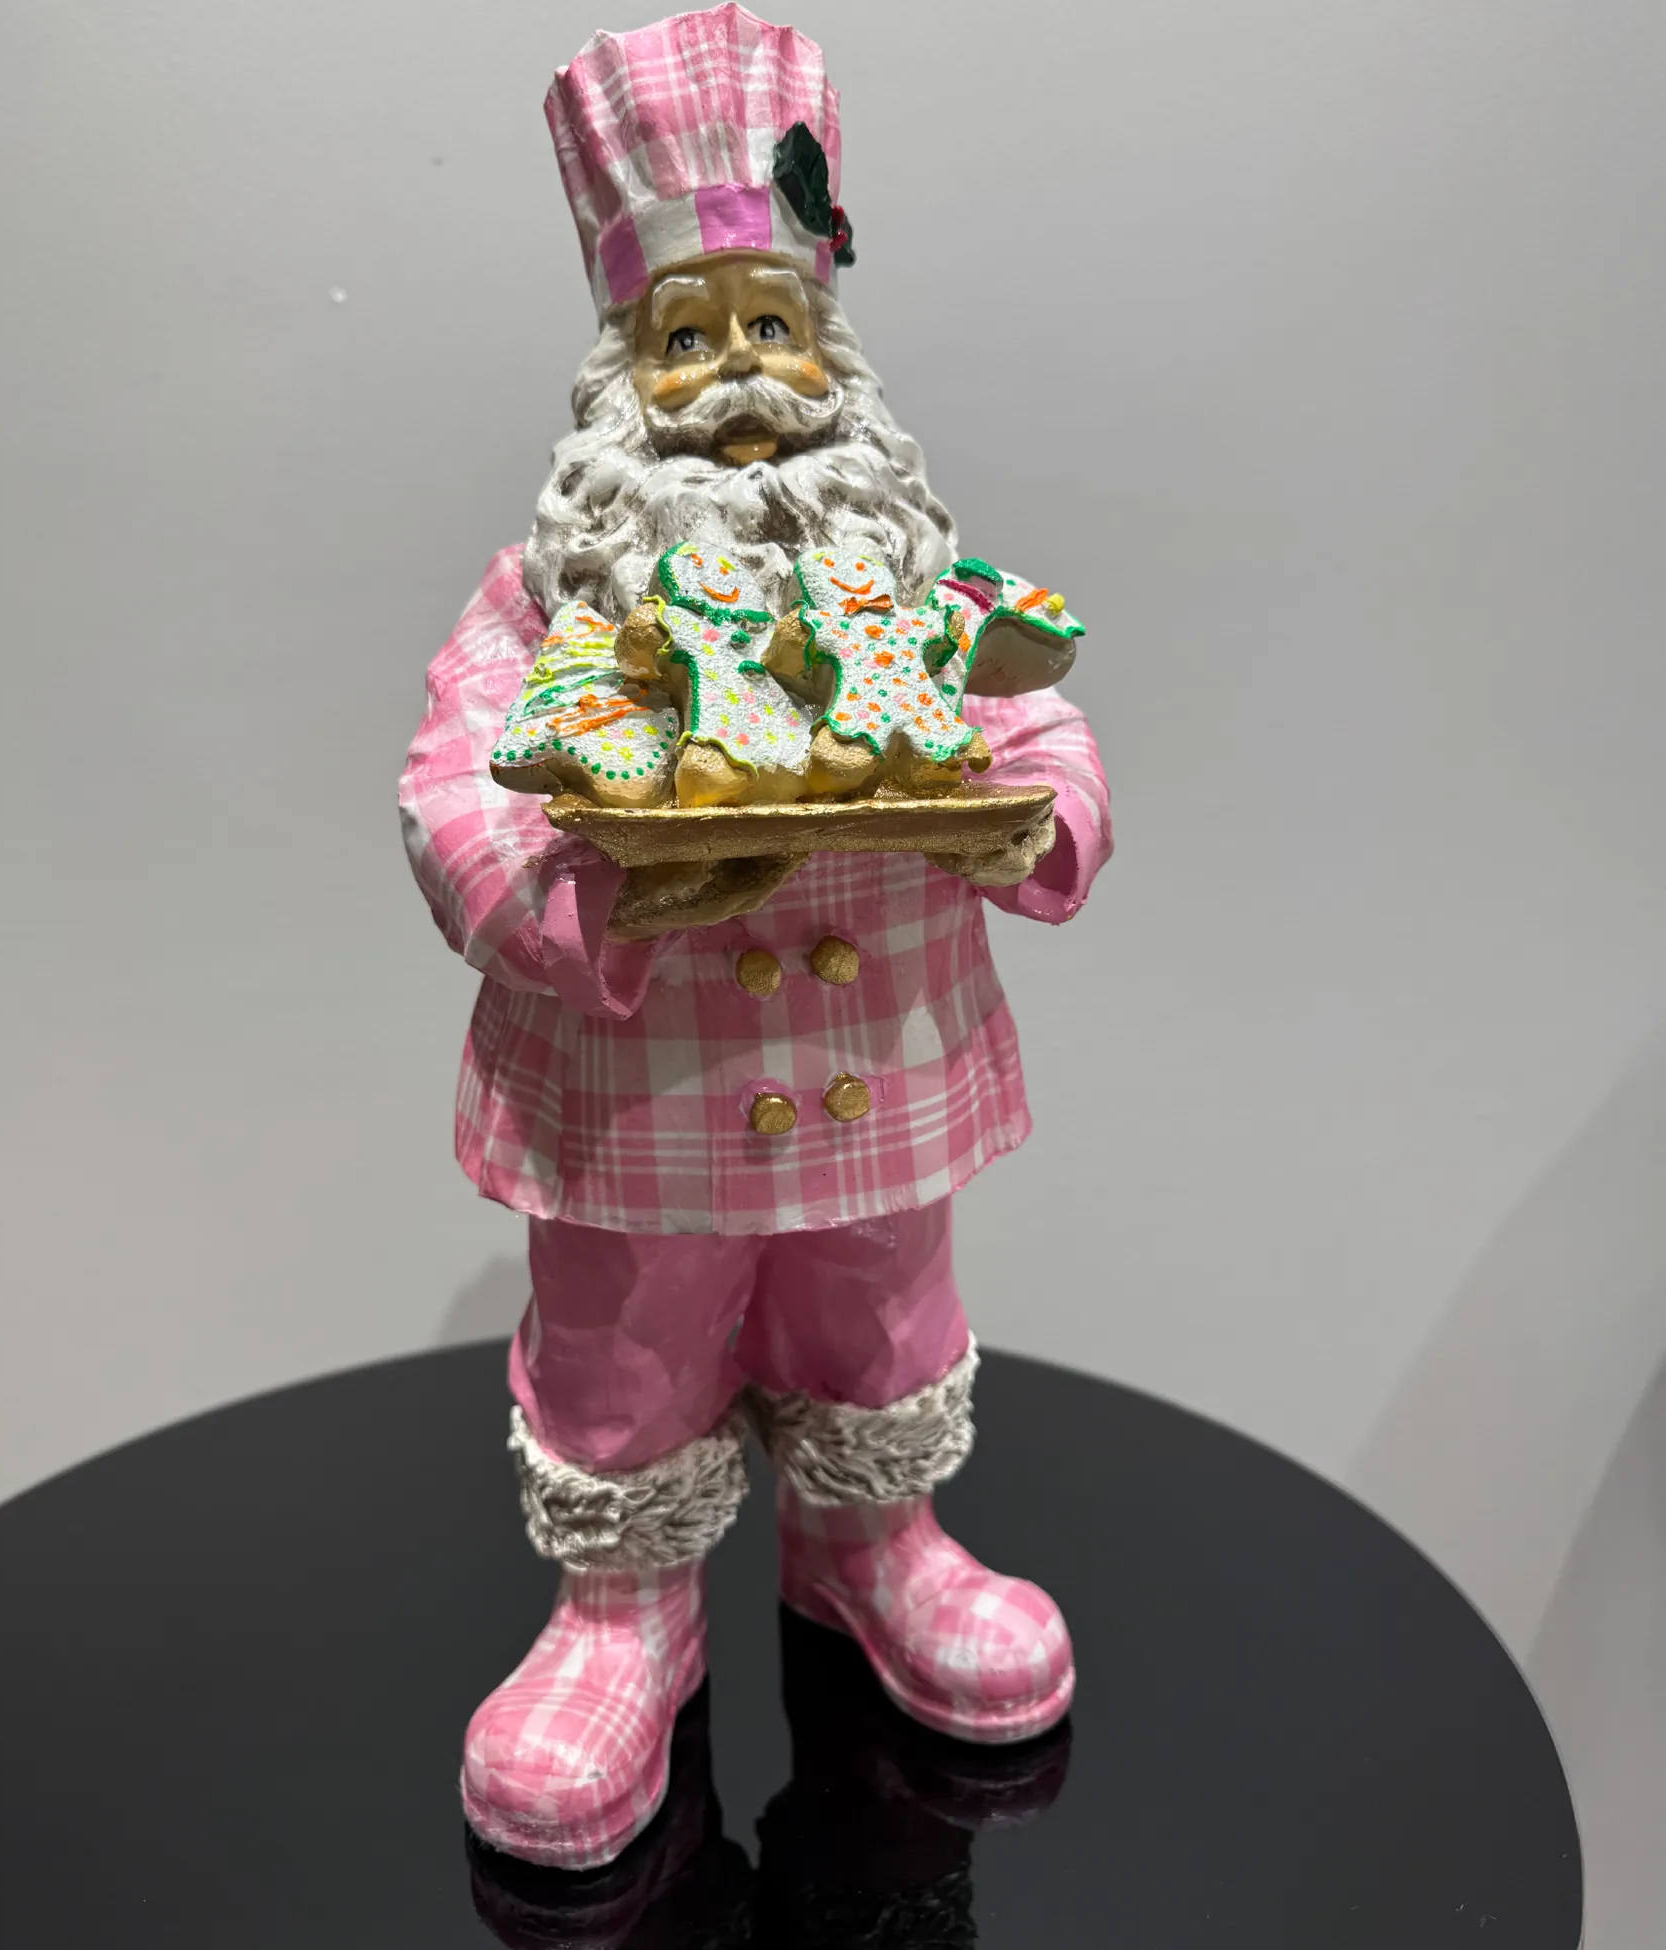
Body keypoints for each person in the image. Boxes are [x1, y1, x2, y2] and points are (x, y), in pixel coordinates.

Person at [398, 2, 1112, 1873]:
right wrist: (599, 896)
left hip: (884, 1053)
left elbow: (1038, 728)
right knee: (624, 1331)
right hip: (636, 1078)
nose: (734, 375)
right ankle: (622, 1615)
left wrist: (1034, 816)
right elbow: (454, 796)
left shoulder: (916, 580)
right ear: (619, 379)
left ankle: (870, 1544)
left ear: (831, 351)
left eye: (769, 329)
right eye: (684, 337)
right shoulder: (552, 598)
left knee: (878, 1302)